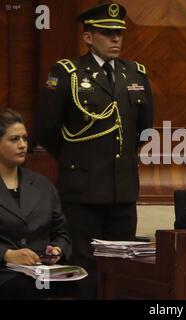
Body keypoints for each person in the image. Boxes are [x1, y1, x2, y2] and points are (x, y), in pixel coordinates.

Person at [35, 2, 153, 299]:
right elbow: (47, 128)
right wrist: (78, 160)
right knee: (84, 268)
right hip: (82, 189)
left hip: (122, 189)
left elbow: (143, 129)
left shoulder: (135, 74)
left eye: (119, 34)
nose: (116, 39)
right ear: (88, 37)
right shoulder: (68, 72)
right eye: (106, 33)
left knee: (122, 267)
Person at [0, 109, 71, 300]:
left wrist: (57, 249)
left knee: (85, 285)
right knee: (24, 288)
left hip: (42, 271)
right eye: (14, 139)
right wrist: (7, 254)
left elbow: (61, 233)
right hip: (5, 273)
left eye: (24, 138)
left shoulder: (42, 184)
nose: (23, 145)